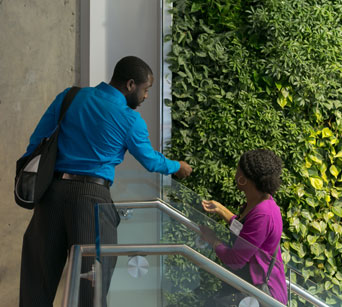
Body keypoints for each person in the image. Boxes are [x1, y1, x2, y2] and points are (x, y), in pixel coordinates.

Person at [19, 56, 193, 307]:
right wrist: (178, 167)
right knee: (91, 285)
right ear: (131, 84)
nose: (146, 97)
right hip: (92, 201)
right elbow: (151, 161)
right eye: (146, 90)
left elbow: (36, 142)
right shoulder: (130, 119)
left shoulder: (70, 97)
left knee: (37, 282)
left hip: (51, 195)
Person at [201, 149, 287, 306]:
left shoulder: (263, 214)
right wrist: (221, 210)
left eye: (237, 170)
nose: (235, 174)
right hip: (248, 286)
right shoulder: (259, 201)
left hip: (259, 294)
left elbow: (236, 260)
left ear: (243, 179)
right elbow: (247, 233)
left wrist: (213, 240)